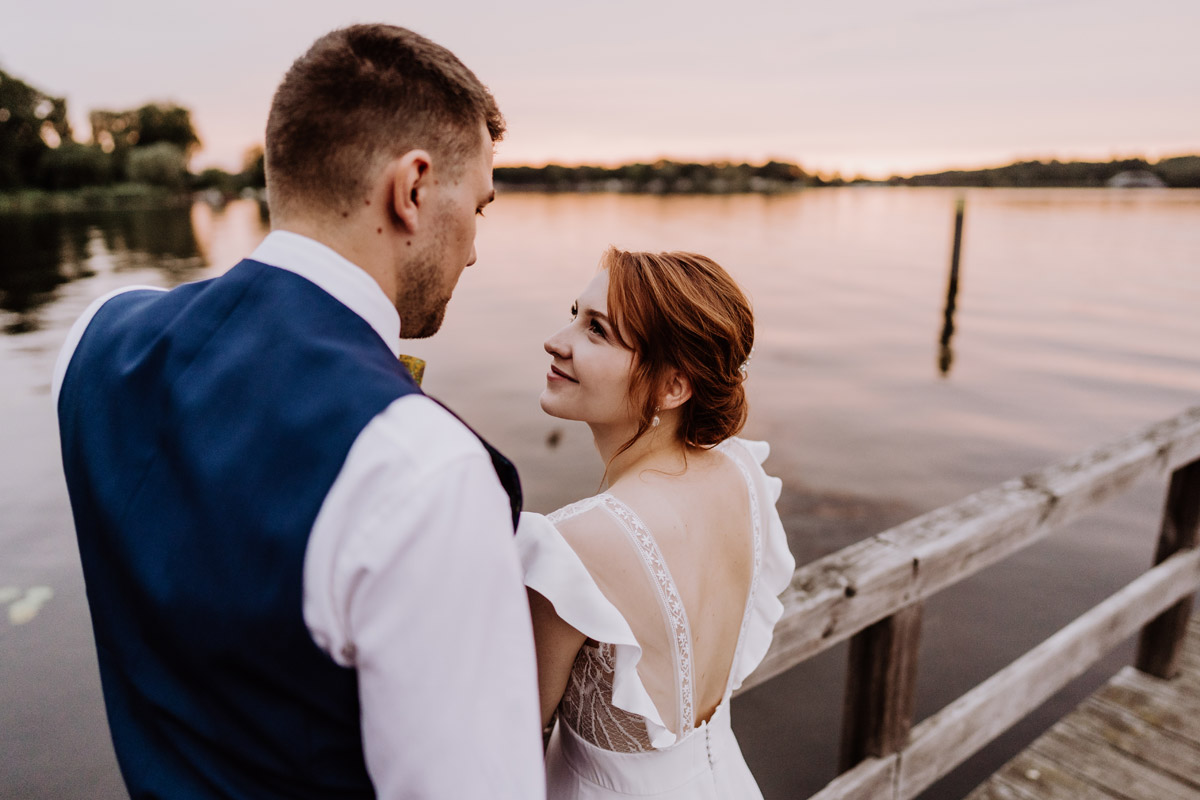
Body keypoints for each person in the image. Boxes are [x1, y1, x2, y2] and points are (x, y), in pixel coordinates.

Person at [52, 24, 544, 799]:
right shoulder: (423, 468)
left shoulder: (92, 338)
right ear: (411, 189)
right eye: (479, 207)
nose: (475, 250)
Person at [517, 248, 796, 798]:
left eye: (596, 330)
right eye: (575, 314)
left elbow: (514, 738)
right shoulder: (740, 471)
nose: (557, 340)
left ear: (673, 386)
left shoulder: (574, 543)